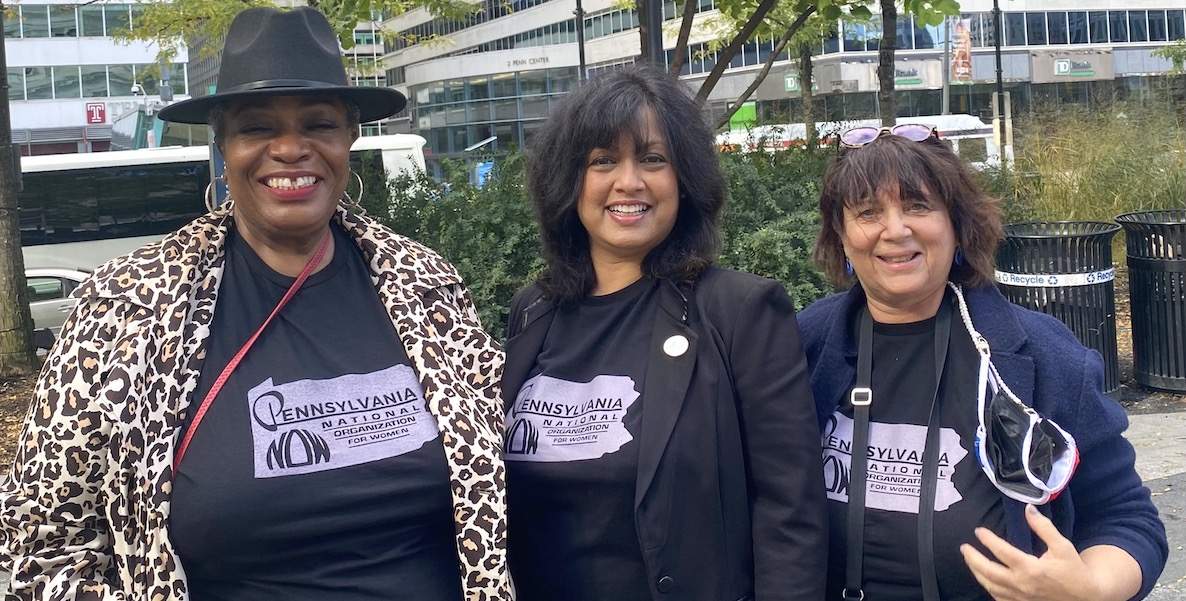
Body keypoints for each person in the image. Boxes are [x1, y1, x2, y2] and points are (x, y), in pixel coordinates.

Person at [0, 7, 511, 600]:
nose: (290, 148)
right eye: (257, 127)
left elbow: (500, 500)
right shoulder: (129, 310)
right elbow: (39, 552)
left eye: (318, 124)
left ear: (349, 138)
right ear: (224, 147)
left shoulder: (427, 289)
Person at [797, 124, 1168, 601]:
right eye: (868, 212)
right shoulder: (804, 345)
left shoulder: (1041, 353)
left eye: (917, 206)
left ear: (957, 225)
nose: (895, 230)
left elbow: (1125, 519)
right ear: (842, 237)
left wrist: (1090, 588)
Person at [502, 66, 827, 601]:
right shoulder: (534, 311)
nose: (628, 182)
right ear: (569, 182)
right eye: (603, 160)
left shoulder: (739, 311)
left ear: (685, 179)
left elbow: (789, 510)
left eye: (653, 159)